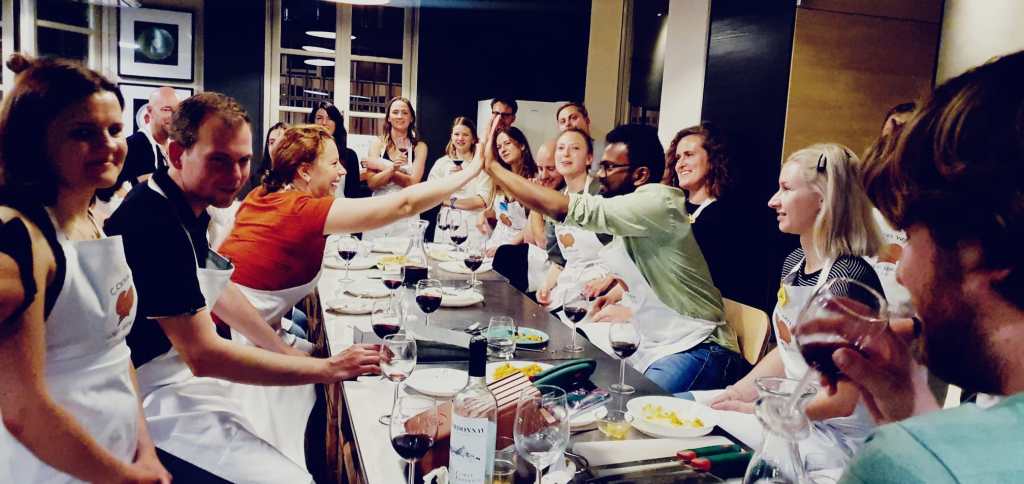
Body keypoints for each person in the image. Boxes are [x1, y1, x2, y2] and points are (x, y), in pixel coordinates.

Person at [105, 92, 381, 483]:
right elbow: (203, 356)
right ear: (177, 154)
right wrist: (326, 368)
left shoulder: (185, 205)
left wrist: (284, 350)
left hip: (181, 378)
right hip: (153, 396)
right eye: (219, 160)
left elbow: (221, 290)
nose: (235, 175)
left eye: (243, 161)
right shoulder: (154, 221)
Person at [215, 124, 485, 475]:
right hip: (234, 349)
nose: (342, 171)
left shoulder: (264, 196)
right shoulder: (301, 209)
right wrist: (471, 172)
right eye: (333, 164)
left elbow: (255, 280)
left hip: (251, 336)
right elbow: (404, 203)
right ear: (304, 171)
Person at [813, 51, 1024, 484]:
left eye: (908, 235)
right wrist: (910, 416)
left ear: (986, 248)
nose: (902, 272)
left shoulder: (903, 464)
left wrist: (912, 449)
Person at [0, 54, 170, 483]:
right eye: (83, 133)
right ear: (36, 142)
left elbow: (116, 351)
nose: (108, 145)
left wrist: (145, 451)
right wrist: (123, 476)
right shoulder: (18, 243)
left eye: (114, 130)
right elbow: (23, 410)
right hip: (51, 467)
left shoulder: (91, 217)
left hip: (116, 449)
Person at [483, 123, 744, 392]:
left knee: (636, 404)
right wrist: (620, 296)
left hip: (700, 345)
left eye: (608, 167)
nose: (600, 174)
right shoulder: (632, 209)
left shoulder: (658, 202)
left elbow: (568, 209)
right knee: (572, 373)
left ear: (640, 175)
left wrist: (494, 168)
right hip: (653, 337)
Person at [710, 143, 884, 470]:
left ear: (823, 198)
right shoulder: (794, 263)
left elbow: (842, 400)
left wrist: (767, 411)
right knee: (704, 413)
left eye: (786, 189)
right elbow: (789, 348)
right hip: (796, 420)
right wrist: (738, 392)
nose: (773, 201)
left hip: (837, 441)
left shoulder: (848, 279)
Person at [664, 123, 753, 305]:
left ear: (712, 159)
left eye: (689, 155)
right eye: (678, 157)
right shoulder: (669, 208)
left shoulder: (727, 218)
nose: (680, 164)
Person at [535, 128, 607, 311]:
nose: (565, 153)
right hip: (570, 285)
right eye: (560, 148)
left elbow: (627, 254)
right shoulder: (556, 200)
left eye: (574, 148)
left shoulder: (603, 193)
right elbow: (559, 262)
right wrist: (546, 286)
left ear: (589, 158)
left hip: (603, 288)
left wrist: (607, 281)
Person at [364, 97, 427, 240]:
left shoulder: (419, 147)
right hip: (379, 209)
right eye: (395, 112)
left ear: (411, 118)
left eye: (404, 112)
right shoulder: (377, 144)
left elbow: (412, 183)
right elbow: (372, 183)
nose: (400, 116)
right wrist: (392, 168)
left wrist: (380, 166)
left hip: (406, 211)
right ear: (388, 118)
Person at [429, 116, 486, 244]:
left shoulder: (481, 165)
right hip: (445, 225)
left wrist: (449, 202)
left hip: (472, 227)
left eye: (465, 135)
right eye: (456, 134)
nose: (460, 138)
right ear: (451, 137)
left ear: (473, 139)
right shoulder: (441, 163)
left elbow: (481, 201)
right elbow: (430, 195)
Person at [309, 102, 367, 200]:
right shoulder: (304, 153)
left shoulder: (350, 156)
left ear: (337, 123)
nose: (324, 123)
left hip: (340, 207)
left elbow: (354, 195)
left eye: (330, 118)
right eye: (319, 118)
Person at [239, 122, 288, 200]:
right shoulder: (258, 177)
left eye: (281, 142)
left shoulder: (297, 178)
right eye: (272, 142)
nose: (275, 147)